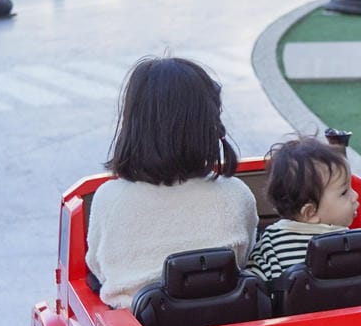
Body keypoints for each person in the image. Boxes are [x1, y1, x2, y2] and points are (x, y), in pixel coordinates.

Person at [86, 55, 258, 309]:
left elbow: (99, 268)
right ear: (208, 125)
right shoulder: (235, 195)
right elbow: (243, 259)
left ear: (133, 126)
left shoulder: (108, 199)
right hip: (226, 321)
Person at [245, 137, 360, 283]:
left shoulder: (270, 246)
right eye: (344, 192)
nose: (355, 195)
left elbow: (254, 289)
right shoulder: (354, 244)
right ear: (310, 213)